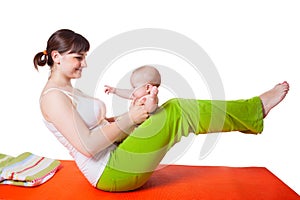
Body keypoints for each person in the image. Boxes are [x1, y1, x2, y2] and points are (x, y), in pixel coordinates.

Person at [34, 29, 289, 192]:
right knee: (177, 111)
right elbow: (88, 145)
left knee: (169, 109)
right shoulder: (53, 97)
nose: (85, 63)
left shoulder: (70, 91)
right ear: (56, 57)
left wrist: (133, 114)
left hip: (117, 155)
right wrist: (131, 119)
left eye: (85, 56)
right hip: (111, 172)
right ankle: (255, 110)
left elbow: (100, 126)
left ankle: (251, 113)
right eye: (79, 57)